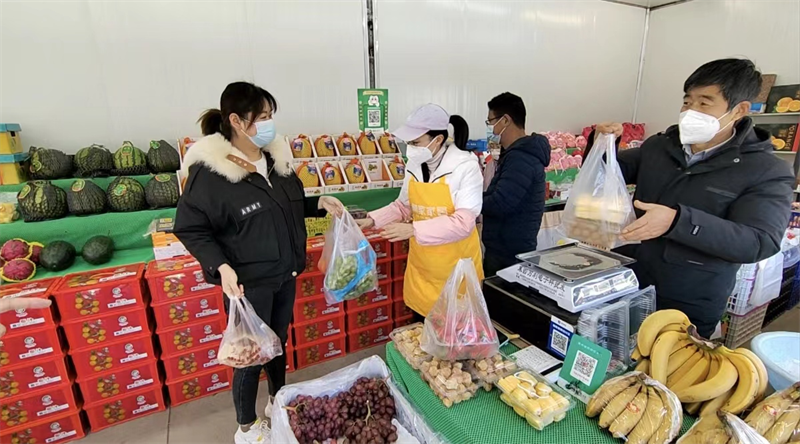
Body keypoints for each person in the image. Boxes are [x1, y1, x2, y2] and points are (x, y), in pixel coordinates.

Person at [173, 81, 344, 444]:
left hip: (284, 273)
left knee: (277, 342)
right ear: (237, 121)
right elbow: (190, 227)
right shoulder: (211, 173)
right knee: (250, 356)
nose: (269, 124)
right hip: (248, 283)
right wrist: (220, 266)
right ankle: (247, 428)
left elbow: (283, 207)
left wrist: (318, 204)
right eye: (262, 117)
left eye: (270, 116)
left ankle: (277, 401)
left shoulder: (275, 161)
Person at [595, 58, 793, 338]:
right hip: (625, 282)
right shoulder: (660, 146)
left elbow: (759, 241)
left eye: (704, 103)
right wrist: (603, 143)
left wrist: (678, 222)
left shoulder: (765, 170)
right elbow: (608, 171)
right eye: (687, 102)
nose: (690, 111)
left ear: (739, 110)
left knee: (667, 364)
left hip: (688, 302)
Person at [357, 104, 483, 317]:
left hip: (456, 269)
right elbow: (404, 206)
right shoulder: (415, 165)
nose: (410, 148)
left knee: (453, 329)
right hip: (423, 268)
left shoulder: (465, 167)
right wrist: (372, 219)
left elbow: (464, 223)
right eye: (409, 143)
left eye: (416, 143)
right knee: (421, 329)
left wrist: (414, 230)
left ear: (438, 140)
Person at [482, 92, 551, 276]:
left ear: (505, 120)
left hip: (510, 255)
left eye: (491, 122)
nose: (490, 129)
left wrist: (468, 202)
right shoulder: (514, 155)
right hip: (505, 250)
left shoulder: (521, 158)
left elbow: (500, 202)